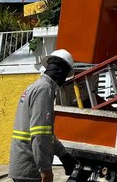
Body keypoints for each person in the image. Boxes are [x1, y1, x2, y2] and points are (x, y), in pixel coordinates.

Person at [9, 49, 78, 182]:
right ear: (61, 72)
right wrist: (45, 170)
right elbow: (40, 134)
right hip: (30, 167)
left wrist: (63, 154)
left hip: (23, 164)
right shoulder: (45, 89)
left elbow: (46, 133)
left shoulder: (35, 86)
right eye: (65, 76)